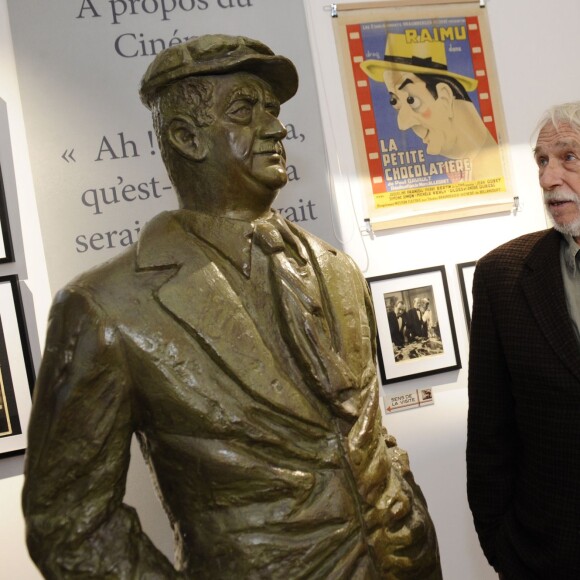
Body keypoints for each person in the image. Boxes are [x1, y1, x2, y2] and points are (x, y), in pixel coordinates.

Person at [22, 35, 442, 579]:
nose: (276, 127)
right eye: (245, 109)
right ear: (185, 137)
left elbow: (361, 428)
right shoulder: (106, 308)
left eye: (273, 109)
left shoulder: (337, 269)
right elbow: (69, 523)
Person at [466, 101, 580, 579]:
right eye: (541, 160)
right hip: (552, 556)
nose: (548, 178)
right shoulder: (503, 276)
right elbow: (489, 435)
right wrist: (503, 548)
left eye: (568, 157)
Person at [361, 34, 503, 182]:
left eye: (412, 100)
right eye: (394, 101)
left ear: (445, 97)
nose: (402, 124)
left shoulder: (500, 173)